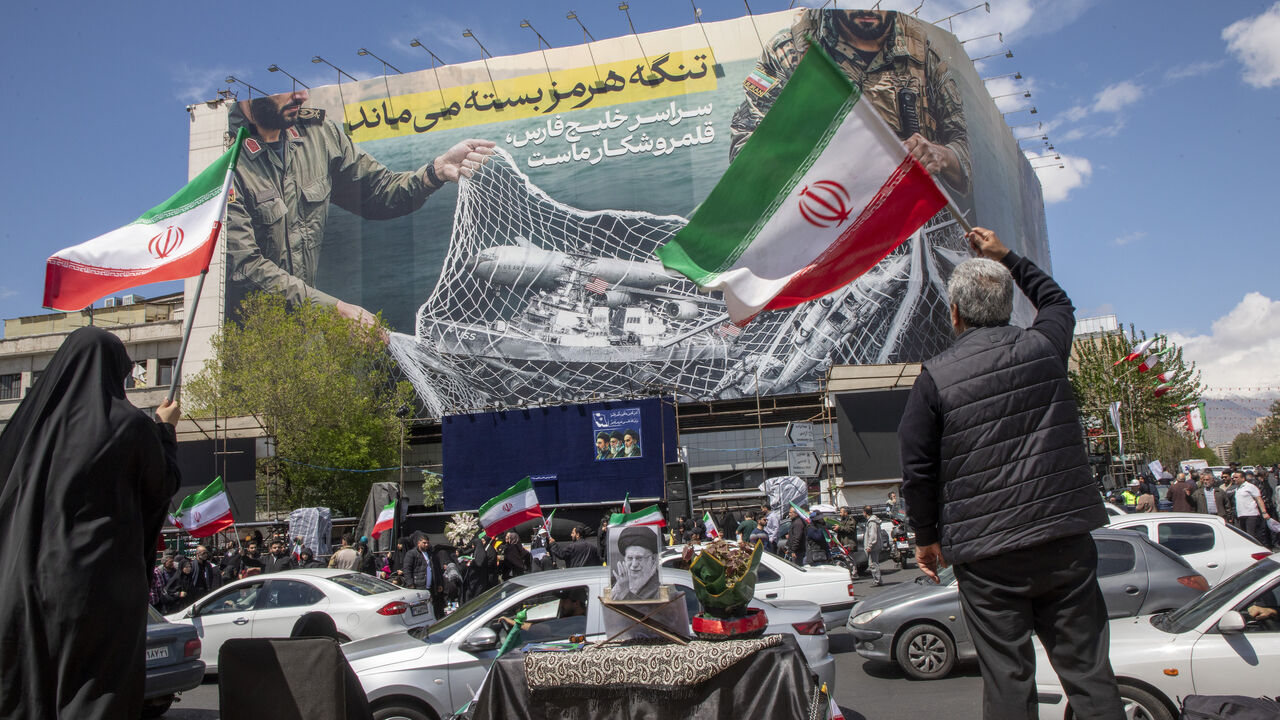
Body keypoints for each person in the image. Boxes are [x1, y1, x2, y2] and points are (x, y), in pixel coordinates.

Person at [898, 228, 1122, 719]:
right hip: (1064, 540)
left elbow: (917, 469)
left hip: (986, 557)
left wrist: (925, 538)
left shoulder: (934, 377)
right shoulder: (1045, 346)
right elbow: (1057, 301)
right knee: (1089, 676)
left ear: (953, 314)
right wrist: (1008, 257)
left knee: (1007, 681)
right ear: (1006, 307)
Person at [0, 326, 182, 718]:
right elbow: (161, 484)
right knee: (94, 692)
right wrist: (165, 430)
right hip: (99, 589)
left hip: (26, 585)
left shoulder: (34, 428)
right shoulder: (130, 424)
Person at [225, 89, 496, 325]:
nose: (302, 96)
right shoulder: (221, 156)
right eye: (286, 89)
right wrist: (335, 310)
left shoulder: (319, 134)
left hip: (308, 328)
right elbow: (245, 267)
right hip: (250, 343)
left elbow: (377, 192)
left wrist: (435, 172)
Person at [612, 526, 660, 601]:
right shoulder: (618, 582)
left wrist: (625, 592)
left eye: (639, 558)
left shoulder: (660, 587)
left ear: (653, 559)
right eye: (630, 558)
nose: (634, 564)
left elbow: (648, 611)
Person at [1233, 471, 1270, 545]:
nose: (1234, 479)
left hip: (1251, 515)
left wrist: (1264, 512)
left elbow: (1259, 499)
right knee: (1245, 536)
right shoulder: (1237, 488)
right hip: (1241, 516)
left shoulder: (1250, 487)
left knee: (1251, 536)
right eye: (1233, 477)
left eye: (1236, 477)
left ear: (1243, 478)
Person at [863, 506, 883, 586]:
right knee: (873, 563)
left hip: (874, 547)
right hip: (875, 545)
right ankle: (877, 580)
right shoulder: (872, 521)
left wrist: (869, 546)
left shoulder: (872, 522)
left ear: (865, 512)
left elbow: (872, 536)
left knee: (873, 563)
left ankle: (877, 580)